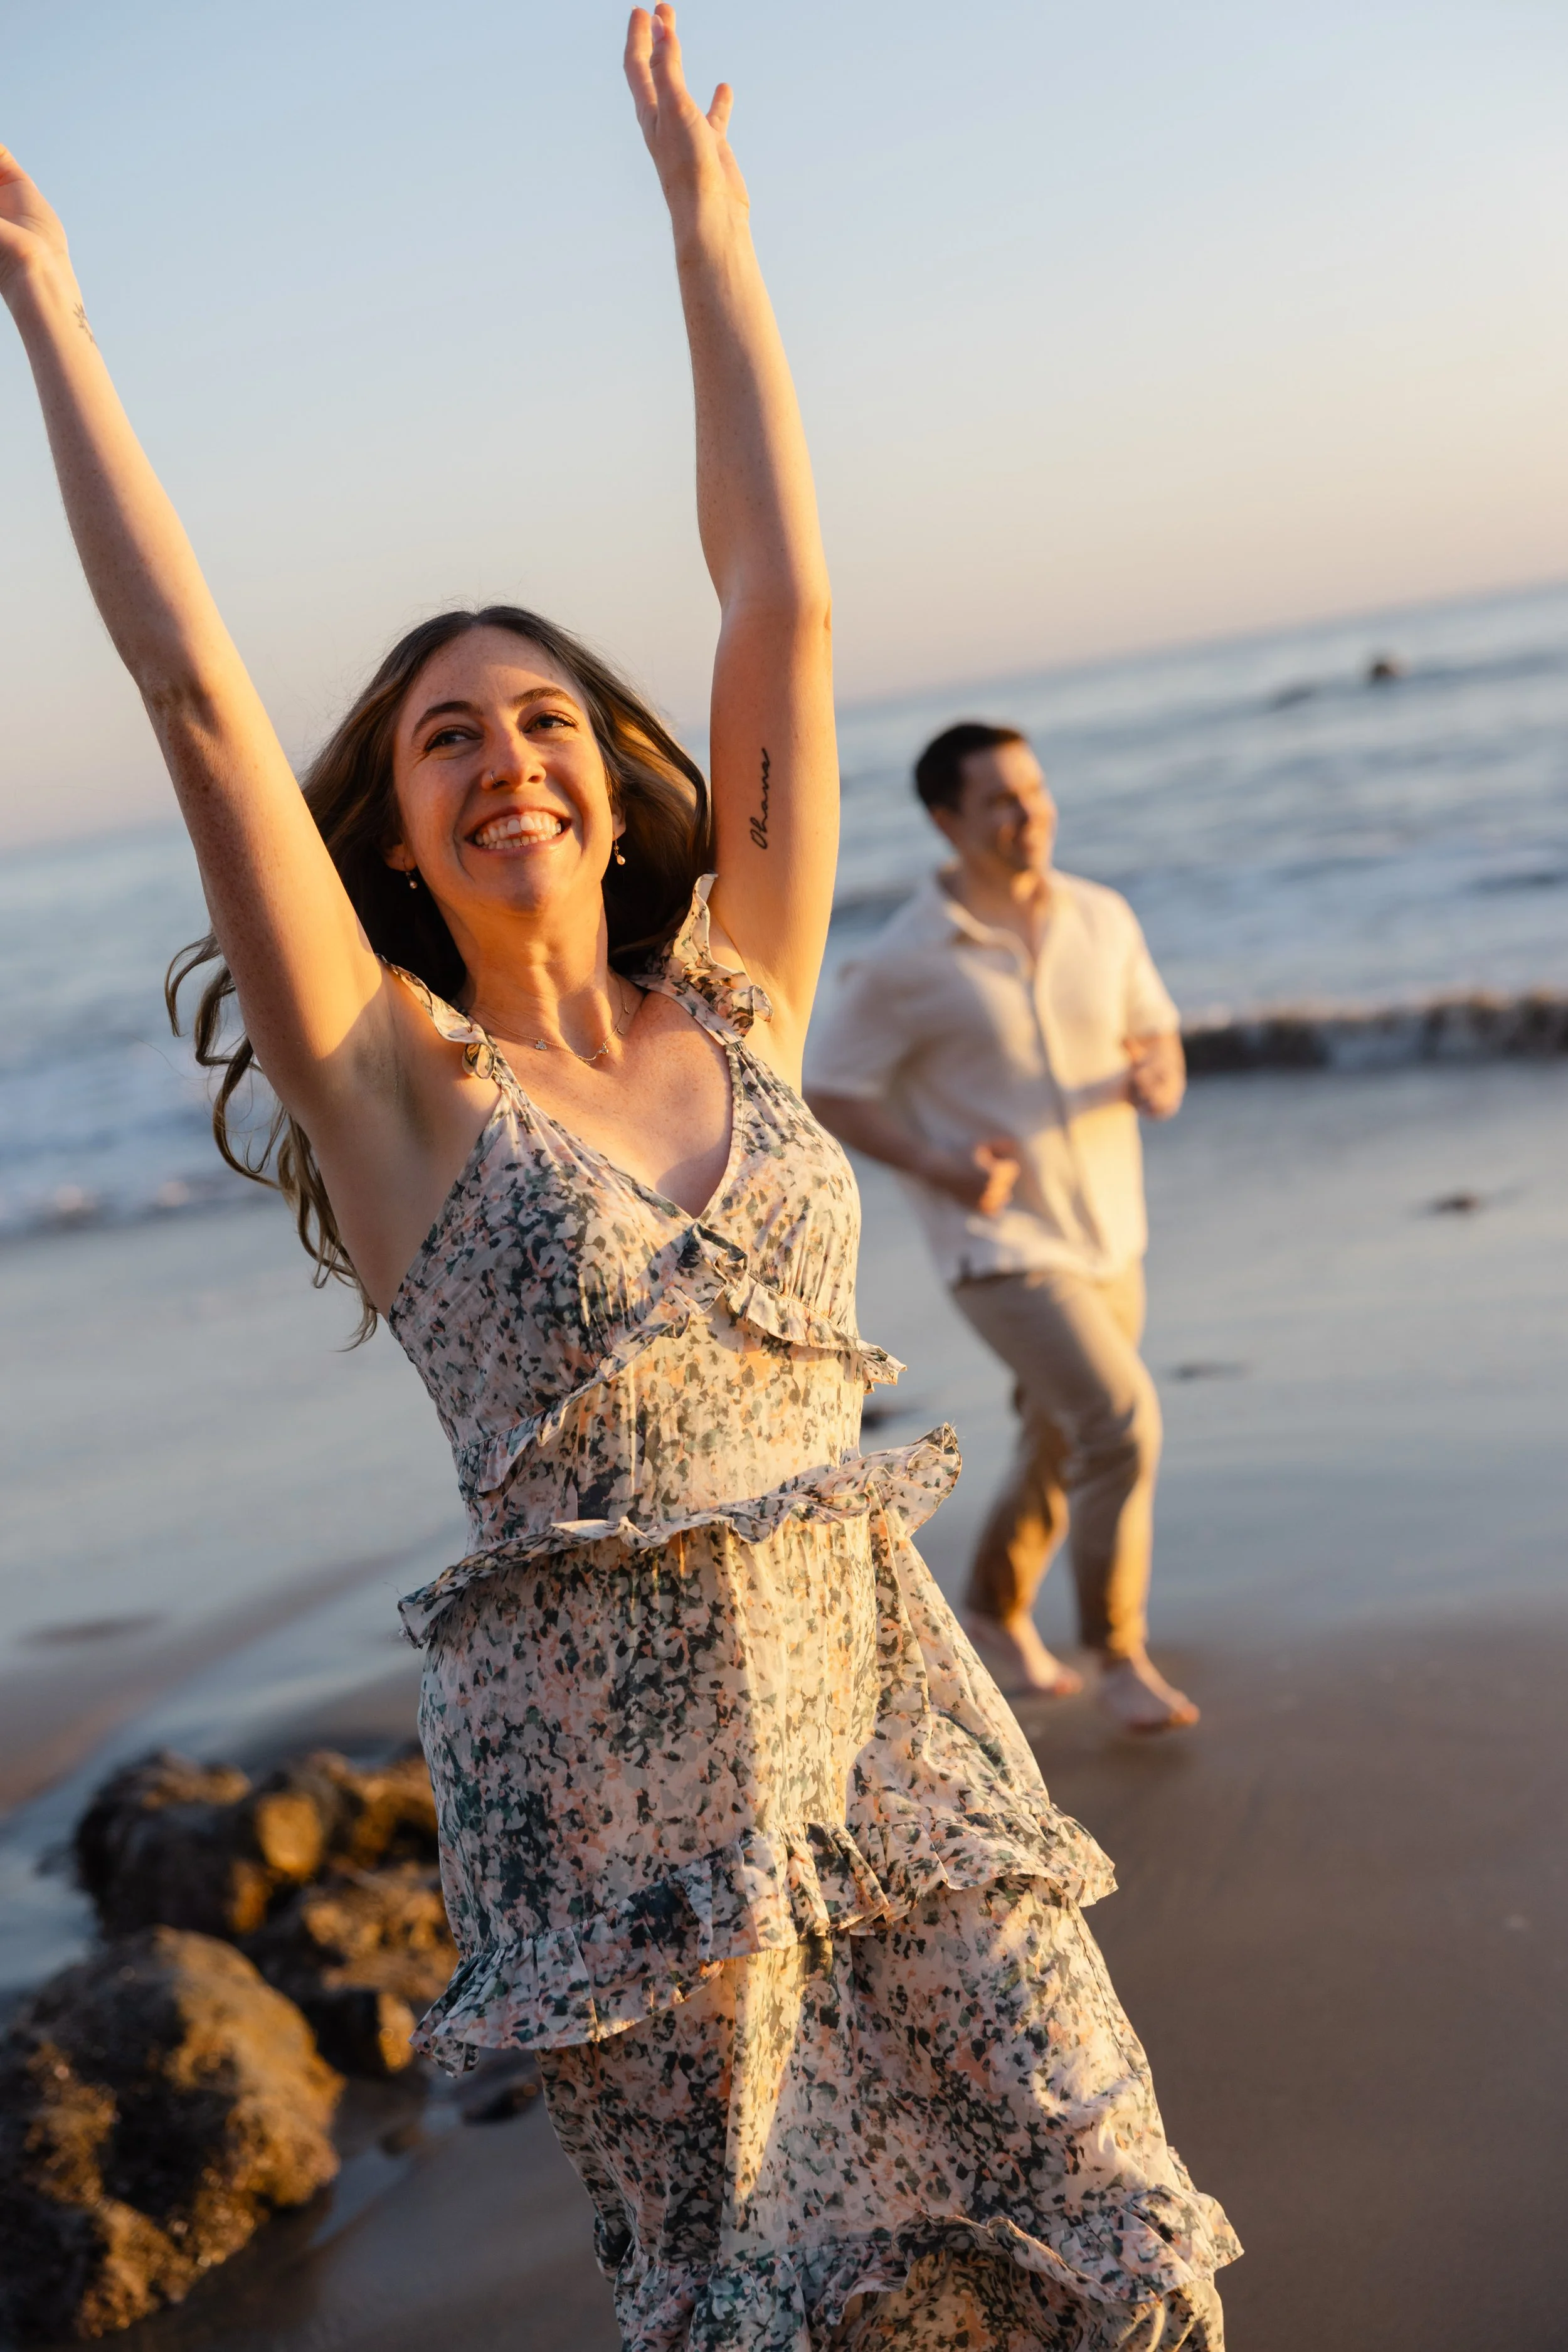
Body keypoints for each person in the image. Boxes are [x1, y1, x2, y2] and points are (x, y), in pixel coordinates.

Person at [0, 16, 1236, 2344]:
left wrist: (707, 233)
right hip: (639, 1847)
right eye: (447, 737)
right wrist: (51, 316)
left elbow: (782, 607)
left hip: (894, 1741)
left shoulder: (744, 992)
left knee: (1104, 2227)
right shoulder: (393, 1092)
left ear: (608, 764)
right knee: (783, 2306)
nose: (511, 759)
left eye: (547, 715)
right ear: (392, 828)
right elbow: (192, 699)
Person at [808, 723, 1199, 1735]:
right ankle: (1118, 1652)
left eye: (1035, 790)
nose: (1030, 813)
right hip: (999, 1247)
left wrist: (1160, 1072)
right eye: (1001, 800)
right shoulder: (906, 960)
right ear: (948, 820)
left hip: (1110, 1230)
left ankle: (990, 1607)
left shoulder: (1101, 915)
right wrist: (938, 1162)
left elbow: (1154, 1029)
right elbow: (832, 1087)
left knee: (1060, 1434)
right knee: (1119, 1422)